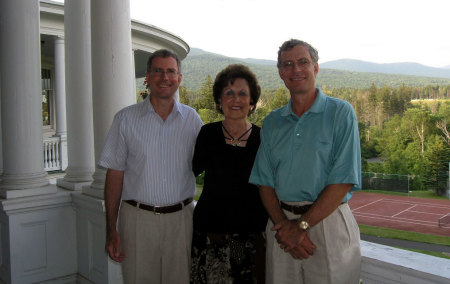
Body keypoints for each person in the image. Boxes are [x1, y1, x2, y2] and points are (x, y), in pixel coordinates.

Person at [249, 39, 362, 284]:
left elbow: (343, 180)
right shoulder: (272, 122)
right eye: (287, 65)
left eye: (303, 62)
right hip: (282, 225)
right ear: (280, 73)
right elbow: (264, 183)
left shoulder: (341, 113)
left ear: (316, 68)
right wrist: (285, 228)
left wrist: (301, 226)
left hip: (328, 224)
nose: (296, 70)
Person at [99, 49, 203, 284]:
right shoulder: (125, 119)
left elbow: (209, 164)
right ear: (147, 76)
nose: (164, 77)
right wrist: (111, 229)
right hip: (137, 221)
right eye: (157, 71)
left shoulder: (193, 120)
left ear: (179, 78)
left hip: (182, 221)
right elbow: (114, 176)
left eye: (170, 71)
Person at [190, 64, 268, 283]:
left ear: (252, 102)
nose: (236, 99)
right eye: (229, 93)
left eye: (243, 93)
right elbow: (191, 169)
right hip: (210, 231)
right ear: (220, 100)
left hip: (249, 233)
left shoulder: (263, 138)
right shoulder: (207, 133)